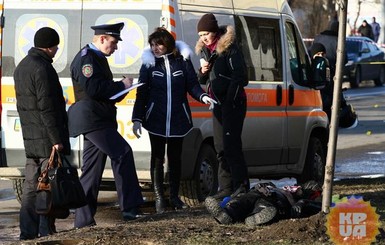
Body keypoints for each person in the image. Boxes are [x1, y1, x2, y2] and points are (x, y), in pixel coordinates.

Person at [68, 22, 144, 228]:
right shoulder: (87, 58)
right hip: (93, 119)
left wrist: (122, 89)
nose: (116, 47)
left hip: (97, 118)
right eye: (113, 42)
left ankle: (83, 221)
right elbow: (93, 89)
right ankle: (130, 208)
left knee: (92, 170)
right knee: (122, 152)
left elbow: (103, 91)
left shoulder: (97, 58)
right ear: (102, 39)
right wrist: (122, 85)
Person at [132, 27, 216, 213]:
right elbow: (141, 92)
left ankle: (175, 197)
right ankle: (159, 198)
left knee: (176, 158)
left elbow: (192, 85)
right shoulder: (149, 64)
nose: (155, 48)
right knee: (157, 157)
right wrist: (137, 118)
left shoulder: (182, 61)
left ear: (168, 44)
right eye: (152, 45)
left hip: (179, 118)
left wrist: (203, 97)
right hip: (156, 119)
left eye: (159, 44)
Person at [14, 27, 71, 240]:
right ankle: (46, 229)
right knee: (48, 186)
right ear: (49, 46)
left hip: (30, 138)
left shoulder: (22, 67)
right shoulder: (43, 68)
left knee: (31, 187)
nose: (57, 51)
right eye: (56, 47)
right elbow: (46, 108)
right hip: (46, 138)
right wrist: (56, 140)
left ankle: (27, 232)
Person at [195, 13, 249, 206]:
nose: (204, 37)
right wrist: (203, 73)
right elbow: (202, 81)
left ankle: (241, 186)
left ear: (215, 31)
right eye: (201, 34)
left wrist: (230, 99)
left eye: (207, 33)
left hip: (233, 104)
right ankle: (226, 187)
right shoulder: (205, 51)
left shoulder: (229, 48)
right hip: (217, 104)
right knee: (220, 147)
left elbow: (241, 76)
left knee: (231, 145)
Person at [206, 181, 322, 227]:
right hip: (261, 192)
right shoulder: (294, 189)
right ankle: (227, 213)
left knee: (265, 205)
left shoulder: (303, 201)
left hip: (276, 200)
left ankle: (254, 217)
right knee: (244, 201)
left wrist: (301, 203)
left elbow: (317, 207)